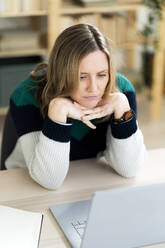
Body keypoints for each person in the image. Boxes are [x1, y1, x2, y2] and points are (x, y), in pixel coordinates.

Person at [6, 23, 146, 189]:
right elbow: (49, 180)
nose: (93, 88)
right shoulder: (26, 95)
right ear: (62, 73)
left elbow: (129, 169)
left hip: (84, 176)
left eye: (102, 75)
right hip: (23, 182)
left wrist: (122, 108)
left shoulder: (120, 90)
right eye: (82, 77)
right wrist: (57, 111)